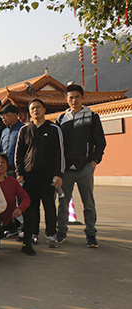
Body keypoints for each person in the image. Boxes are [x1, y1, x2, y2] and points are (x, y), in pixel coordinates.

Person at [56, 83, 106, 248]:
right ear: (66, 99)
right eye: (71, 97)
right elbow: (57, 145)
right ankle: (61, 232)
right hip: (66, 170)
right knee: (63, 203)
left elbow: (100, 142)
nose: (74, 100)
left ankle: (91, 234)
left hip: (85, 168)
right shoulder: (61, 119)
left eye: (77, 97)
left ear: (82, 98)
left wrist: (94, 162)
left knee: (88, 203)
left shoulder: (92, 116)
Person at [15, 98, 65, 254]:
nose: (35, 110)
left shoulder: (54, 129)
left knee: (49, 205)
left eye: (38, 107)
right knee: (31, 206)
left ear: (44, 109)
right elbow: (19, 153)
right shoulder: (24, 130)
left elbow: (59, 153)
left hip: (47, 174)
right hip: (29, 175)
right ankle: (33, 233)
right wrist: (19, 173)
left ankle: (51, 234)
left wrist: (58, 174)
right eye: (32, 108)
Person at [0, 153, 30, 246]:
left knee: (30, 212)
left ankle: (27, 244)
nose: (0, 164)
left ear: (7, 166)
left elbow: (25, 198)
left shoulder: (12, 181)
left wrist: (19, 209)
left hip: (11, 217)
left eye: (3, 162)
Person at [0, 104, 25, 176]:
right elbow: (0, 150)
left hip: (18, 168)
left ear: (15, 115)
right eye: (2, 116)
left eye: (6, 115)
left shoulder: (23, 129)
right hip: (5, 168)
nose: (3, 118)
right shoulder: (4, 131)